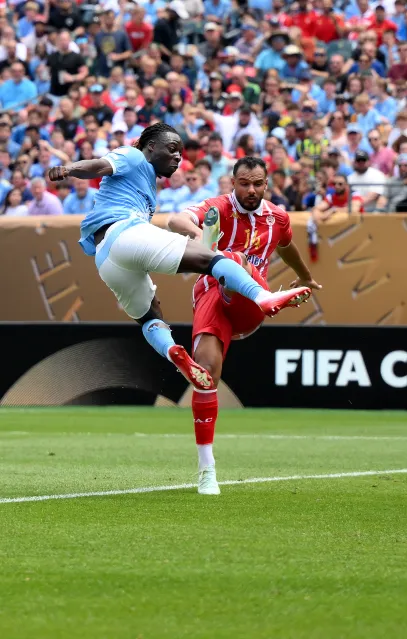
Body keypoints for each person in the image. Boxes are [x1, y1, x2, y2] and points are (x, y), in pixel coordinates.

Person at [47, 123, 313, 392]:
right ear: (151, 146)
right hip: (124, 232)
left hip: (106, 260)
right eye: (172, 149)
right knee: (212, 258)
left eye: (180, 153)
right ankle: (264, 297)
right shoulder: (133, 155)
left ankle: (173, 350)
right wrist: (69, 169)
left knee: (150, 316)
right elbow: (99, 165)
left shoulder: (146, 182)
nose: (177, 157)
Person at [166, 157, 320, 495]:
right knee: (207, 378)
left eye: (257, 184)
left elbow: (287, 245)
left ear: (266, 185)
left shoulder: (277, 217)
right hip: (212, 297)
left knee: (235, 261)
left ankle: (261, 294)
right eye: (243, 183)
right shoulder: (218, 207)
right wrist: (199, 234)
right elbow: (175, 219)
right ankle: (207, 471)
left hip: (249, 305)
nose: (250, 190)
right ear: (232, 184)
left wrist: (306, 275)